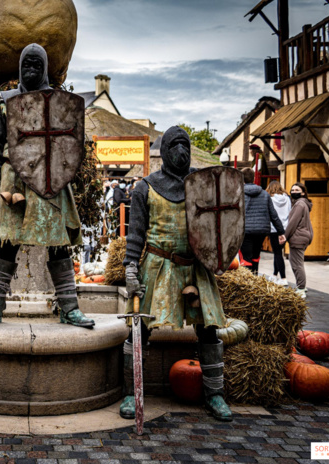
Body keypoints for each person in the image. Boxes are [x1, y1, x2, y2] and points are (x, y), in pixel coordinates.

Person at [0, 43, 94, 329]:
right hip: (14, 180)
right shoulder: (5, 103)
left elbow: (72, 146)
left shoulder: (60, 104)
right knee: (6, 244)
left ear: (45, 70)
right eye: (27, 65)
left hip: (51, 180)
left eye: (37, 66)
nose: (31, 70)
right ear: (19, 68)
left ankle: (69, 308)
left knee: (59, 245)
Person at [123, 126, 232, 421]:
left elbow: (219, 224)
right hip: (158, 265)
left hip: (196, 267)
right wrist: (130, 267)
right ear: (165, 150)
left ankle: (214, 394)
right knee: (139, 329)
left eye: (185, 144)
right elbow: (135, 234)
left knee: (209, 331)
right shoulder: (146, 186)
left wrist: (218, 256)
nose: (181, 151)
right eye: (175, 145)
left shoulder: (203, 184)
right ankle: (132, 393)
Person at [240, 168, 285, 275]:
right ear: (254, 178)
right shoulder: (265, 194)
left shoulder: (239, 193)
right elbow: (273, 215)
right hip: (261, 230)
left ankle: (248, 284)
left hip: (245, 230)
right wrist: (281, 232)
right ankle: (255, 278)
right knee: (255, 256)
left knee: (246, 258)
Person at [285, 182, 313, 298]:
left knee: (297, 264)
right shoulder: (303, 203)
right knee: (295, 261)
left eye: (297, 190)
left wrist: (284, 237)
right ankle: (301, 286)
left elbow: (293, 223)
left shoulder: (299, 204)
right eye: (292, 190)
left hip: (298, 237)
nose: (294, 192)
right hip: (303, 236)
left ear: (303, 192)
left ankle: (301, 288)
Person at [266, 181, 291, 285]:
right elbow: (290, 212)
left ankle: (284, 278)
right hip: (285, 228)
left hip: (274, 229)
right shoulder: (287, 198)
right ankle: (275, 274)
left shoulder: (269, 199)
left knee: (277, 253)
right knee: (278, 252)